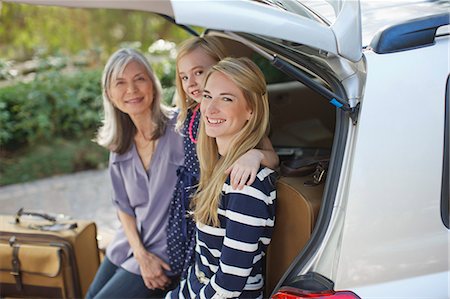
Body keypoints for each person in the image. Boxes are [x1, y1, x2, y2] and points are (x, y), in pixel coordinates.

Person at [167, 36, 279, 280]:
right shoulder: (190, 114)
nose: (192, 82)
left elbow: (273, 156)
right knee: (194, 261)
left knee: (207, 260)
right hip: (197, 191)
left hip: (219, 193)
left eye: (199, 72)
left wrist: (255, 155)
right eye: (184, 77)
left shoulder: (245, 181)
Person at [86, 48, 184, 298]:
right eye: (120, 82)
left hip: (167, 251)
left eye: (139, 78)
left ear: (152, 82)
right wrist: (140, 254)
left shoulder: (182, 128)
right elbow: (124, 208)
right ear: (109, 93)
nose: (131, 90)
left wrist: (257, 154)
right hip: (130, 245)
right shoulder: (120, 145)